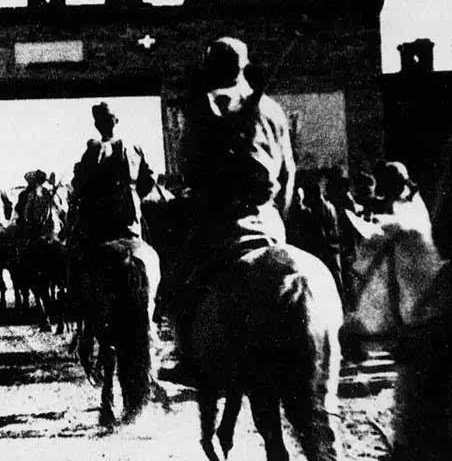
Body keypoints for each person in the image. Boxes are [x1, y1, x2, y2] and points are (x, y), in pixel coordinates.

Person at [171, 36, 296, 371]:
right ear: (245, 66)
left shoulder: (203, 105)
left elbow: (187, 166)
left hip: (219, 222)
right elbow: (289, 172)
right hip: (269, 221)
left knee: (180, 284)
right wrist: (277, 219)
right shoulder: (272, 109)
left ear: (210, 67)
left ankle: (188, 361)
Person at [67, 102, 158, 314]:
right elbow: (147, 182)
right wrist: (133, 196)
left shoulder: (93, 149)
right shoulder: (135, 148)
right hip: (132, 220)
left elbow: (81, 186)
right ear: (116, 121)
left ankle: (78, 307)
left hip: (101, 224)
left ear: (97, 124)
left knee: (77, 258)